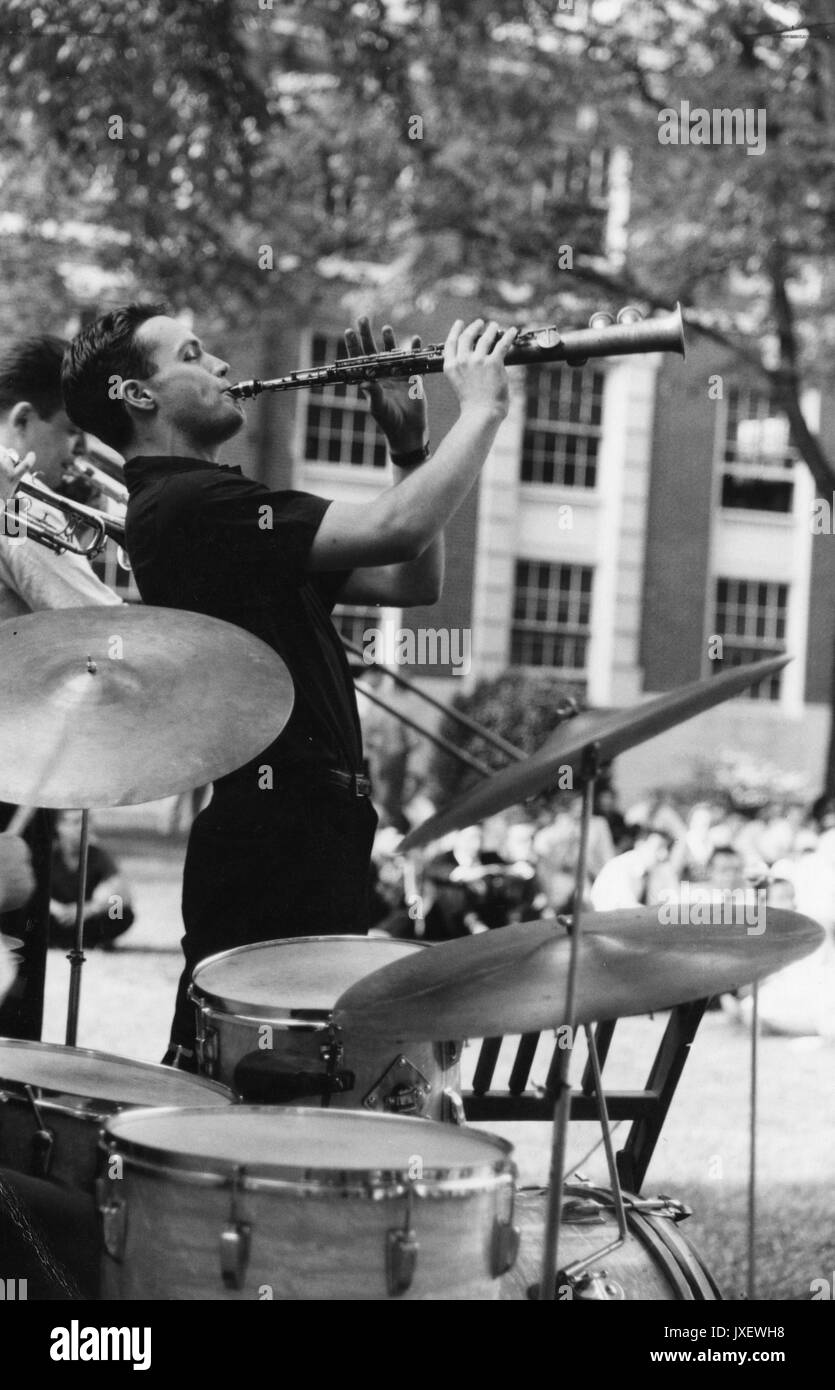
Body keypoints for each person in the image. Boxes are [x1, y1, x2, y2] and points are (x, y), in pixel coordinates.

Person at [63, 304, 518, 1066]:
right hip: (273, 830)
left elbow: (411, 579)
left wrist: (410, 447)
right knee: (247, 1073)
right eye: (195, 353)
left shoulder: (224, 508)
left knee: (288, 1077)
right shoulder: (189, 505)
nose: (220, 367)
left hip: (313, 825)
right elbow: (397, 529)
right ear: (137, 395)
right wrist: (485, 405)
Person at [0, 337, 122, 1041]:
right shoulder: (17, 518)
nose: (78, 457)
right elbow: (118, 637)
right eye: (70, 433)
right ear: (22, 420)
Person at [48, 812, 134, 949]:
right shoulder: (48, 854)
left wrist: (88, 909)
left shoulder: (99, 855)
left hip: (87, 918)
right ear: (60, 826)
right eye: (76, 822)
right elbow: (33, 889)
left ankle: (98, 939)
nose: (83, 827)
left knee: (119, 911)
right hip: (56, 916)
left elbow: (122, 893)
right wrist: (56, 909)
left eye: (87, 822)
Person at [590, 825, 677, 910]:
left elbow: (672, 900)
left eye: (666, 849)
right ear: (640, 844)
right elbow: (626, 908)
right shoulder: (620, 866)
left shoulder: (657, 869)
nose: (663, 854)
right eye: (659, 847)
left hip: (632, 921)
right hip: (605, 921)